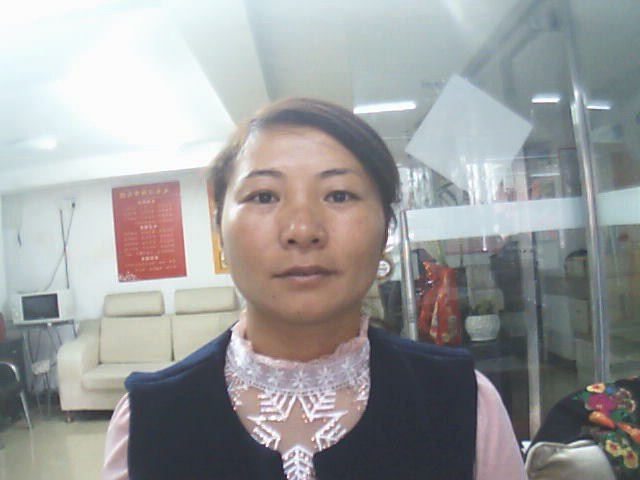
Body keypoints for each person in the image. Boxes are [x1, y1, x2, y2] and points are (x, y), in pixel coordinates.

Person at [103, 97, 526, 480]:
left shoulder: (464, 403)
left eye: (339, 195)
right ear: (219, 229)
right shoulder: (147, 422)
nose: (302, 229)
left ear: (386, 229)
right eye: (264, 196)